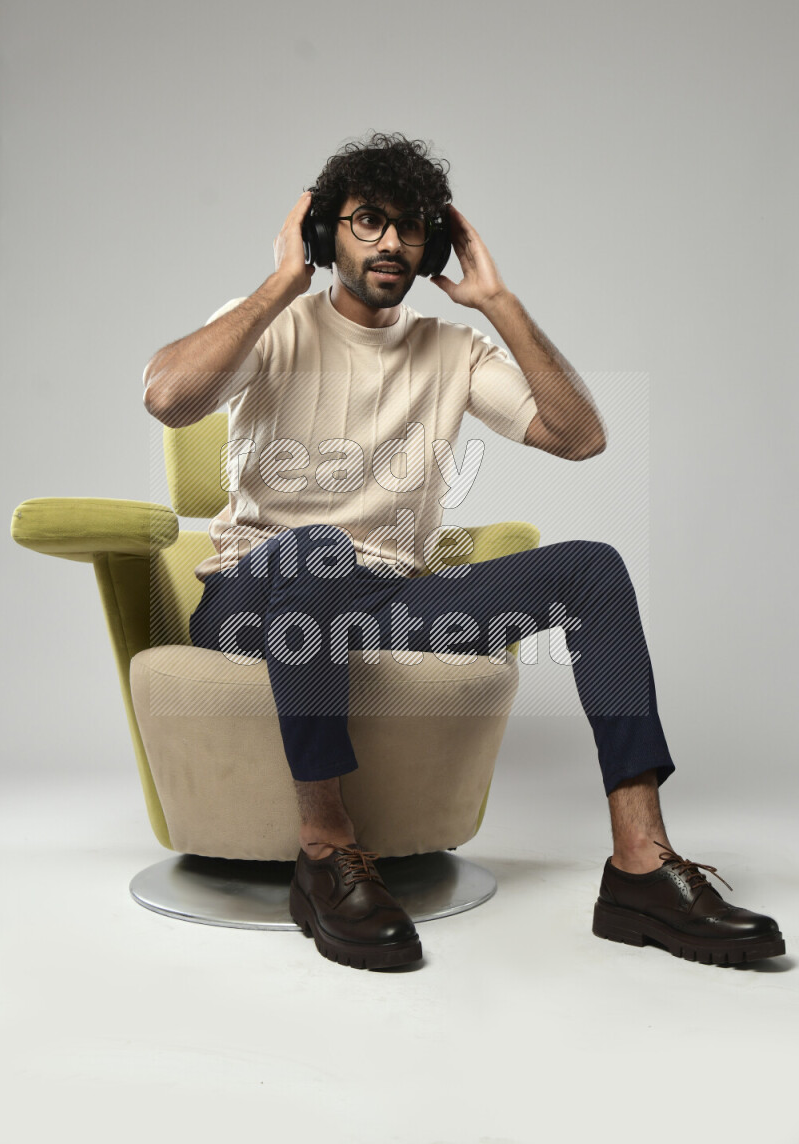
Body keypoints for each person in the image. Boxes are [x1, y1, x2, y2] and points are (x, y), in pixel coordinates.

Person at [142, 131, 784, 972]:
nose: (390, 243)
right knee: (317, 552)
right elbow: (167, 397)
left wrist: (500, 303)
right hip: (257, 598)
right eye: (367, 220)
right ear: (324, 233)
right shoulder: (273, 322)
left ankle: (640, 866)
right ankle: (326, 852)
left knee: (591, 569)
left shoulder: (450, 352)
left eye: (409, 226)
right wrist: (280, 280)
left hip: (386, 600)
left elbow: (581, 437)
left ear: (431, 244)